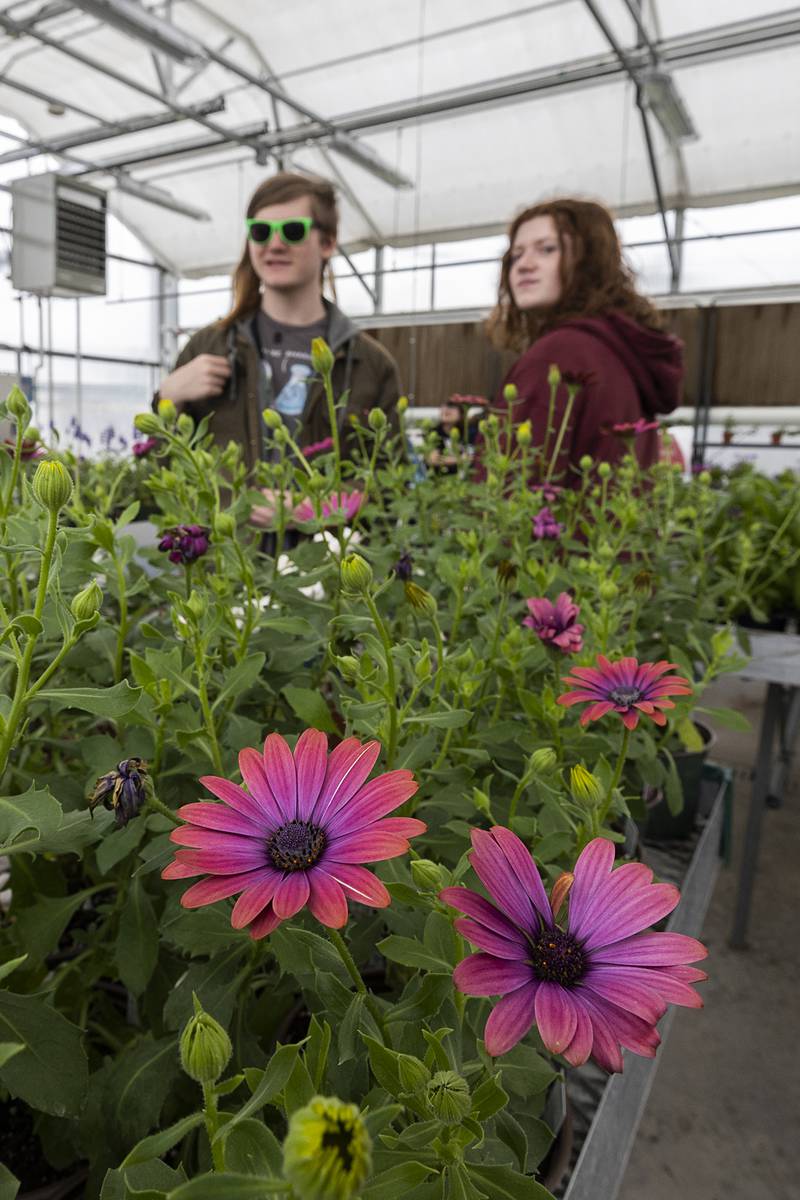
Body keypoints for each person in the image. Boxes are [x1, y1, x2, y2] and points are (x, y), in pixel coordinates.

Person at [156, 172, 402, 524]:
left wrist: (309, 509)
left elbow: (392, 482)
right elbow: (164, 468)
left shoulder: (369, 364)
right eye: (260, 231)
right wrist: (168, 397)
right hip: (227, 564)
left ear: (328, 243)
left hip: (329, 564)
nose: (274, 244)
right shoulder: (207, 347)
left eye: (292, 230)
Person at [484, 198, 683, 486]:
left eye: (547, 249)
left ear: (589, 259)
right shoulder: (619, 348)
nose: (524, 265)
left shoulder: (560, 354)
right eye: (516, 255)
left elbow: (509, 494)